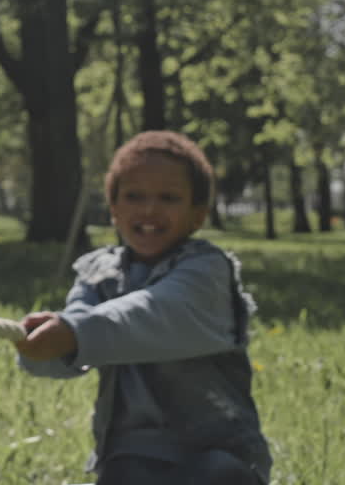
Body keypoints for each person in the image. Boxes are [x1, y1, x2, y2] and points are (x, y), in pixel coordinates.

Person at [15, 131, 271, 485]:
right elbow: (73, 342)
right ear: (114, 210)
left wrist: (75, 333)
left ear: (198, 215)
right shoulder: (98, 274)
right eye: (134, 196)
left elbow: (155, 313)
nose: (149, 209)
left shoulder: (207, 270)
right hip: (131, 453)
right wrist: (44, 347)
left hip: (217, 450)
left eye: (168, 197)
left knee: (216, 475)